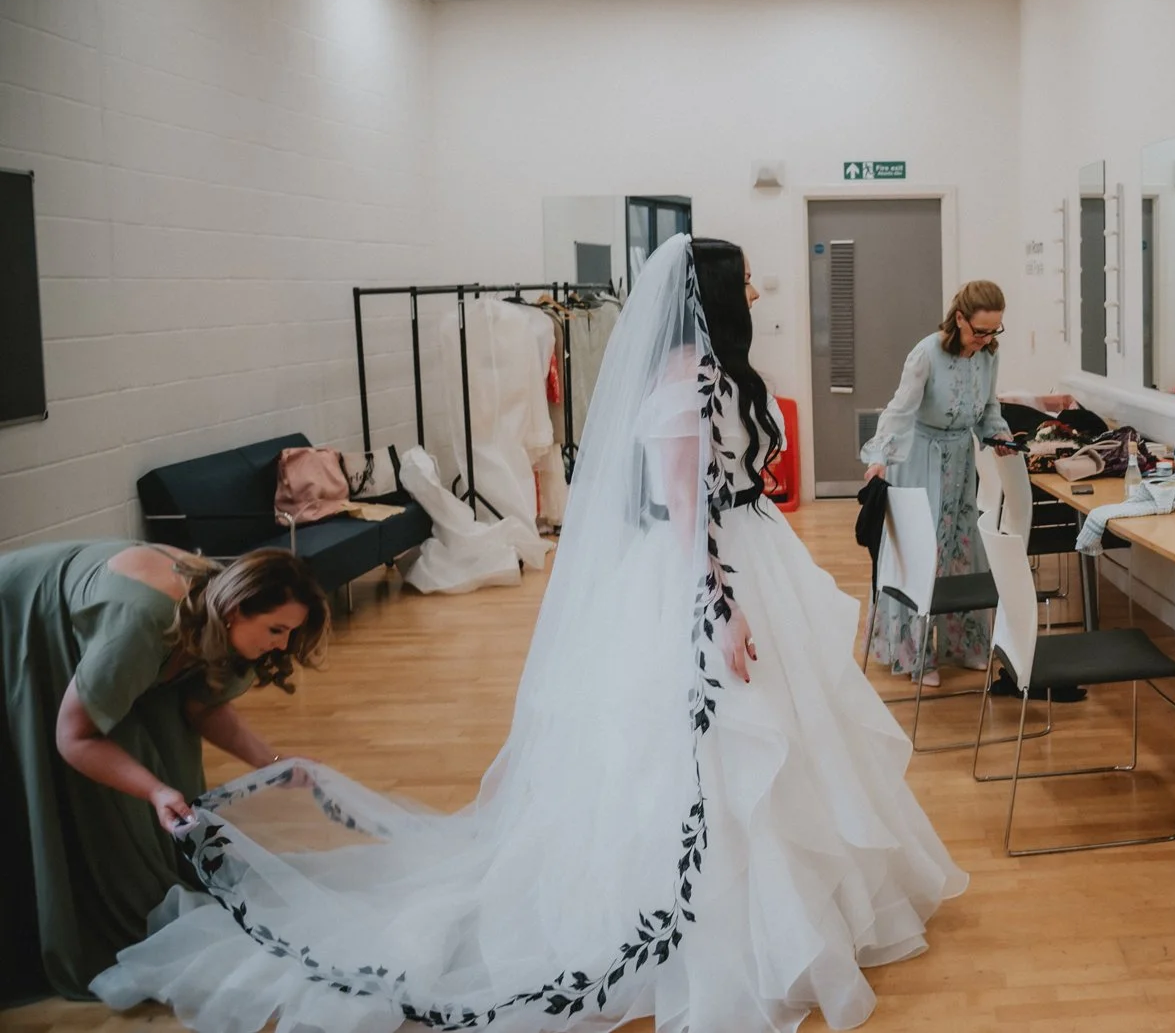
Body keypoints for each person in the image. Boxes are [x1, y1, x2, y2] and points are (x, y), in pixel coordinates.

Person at [92, 234, 966, 1033]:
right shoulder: (684, 386)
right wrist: (723, 608)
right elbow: (683, 509)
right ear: (715, 295)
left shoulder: (715, 374)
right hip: (707, 575)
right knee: (711, 751)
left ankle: (805, 903)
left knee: (786, 737)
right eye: (745, 279)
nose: (757, 287)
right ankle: (728, 922)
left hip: (746, 555)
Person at [0, 544, 325, 1004]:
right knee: (106, 790)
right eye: (277, 629)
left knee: (169, 755)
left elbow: (204, 708)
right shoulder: (144, 621)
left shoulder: (217, 618)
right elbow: (74, 737)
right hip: (24, 615)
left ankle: (154, 884)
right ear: (235, 610)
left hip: (123, 628)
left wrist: (272, 763)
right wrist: (153, 791)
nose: (284, 645)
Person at [860, 281, 1015, 684]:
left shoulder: (987, 356)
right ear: (960, 318)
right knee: (921, 552)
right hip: (920, 460)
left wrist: (1000, 438)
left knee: (960, 548)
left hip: (961, 461)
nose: (985, 339)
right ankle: (914, 653)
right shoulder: (927, 353)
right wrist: (878, 457)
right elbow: (899, 410)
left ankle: (960, 644)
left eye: (993, 331)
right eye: (979, 330)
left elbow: (988, 409)